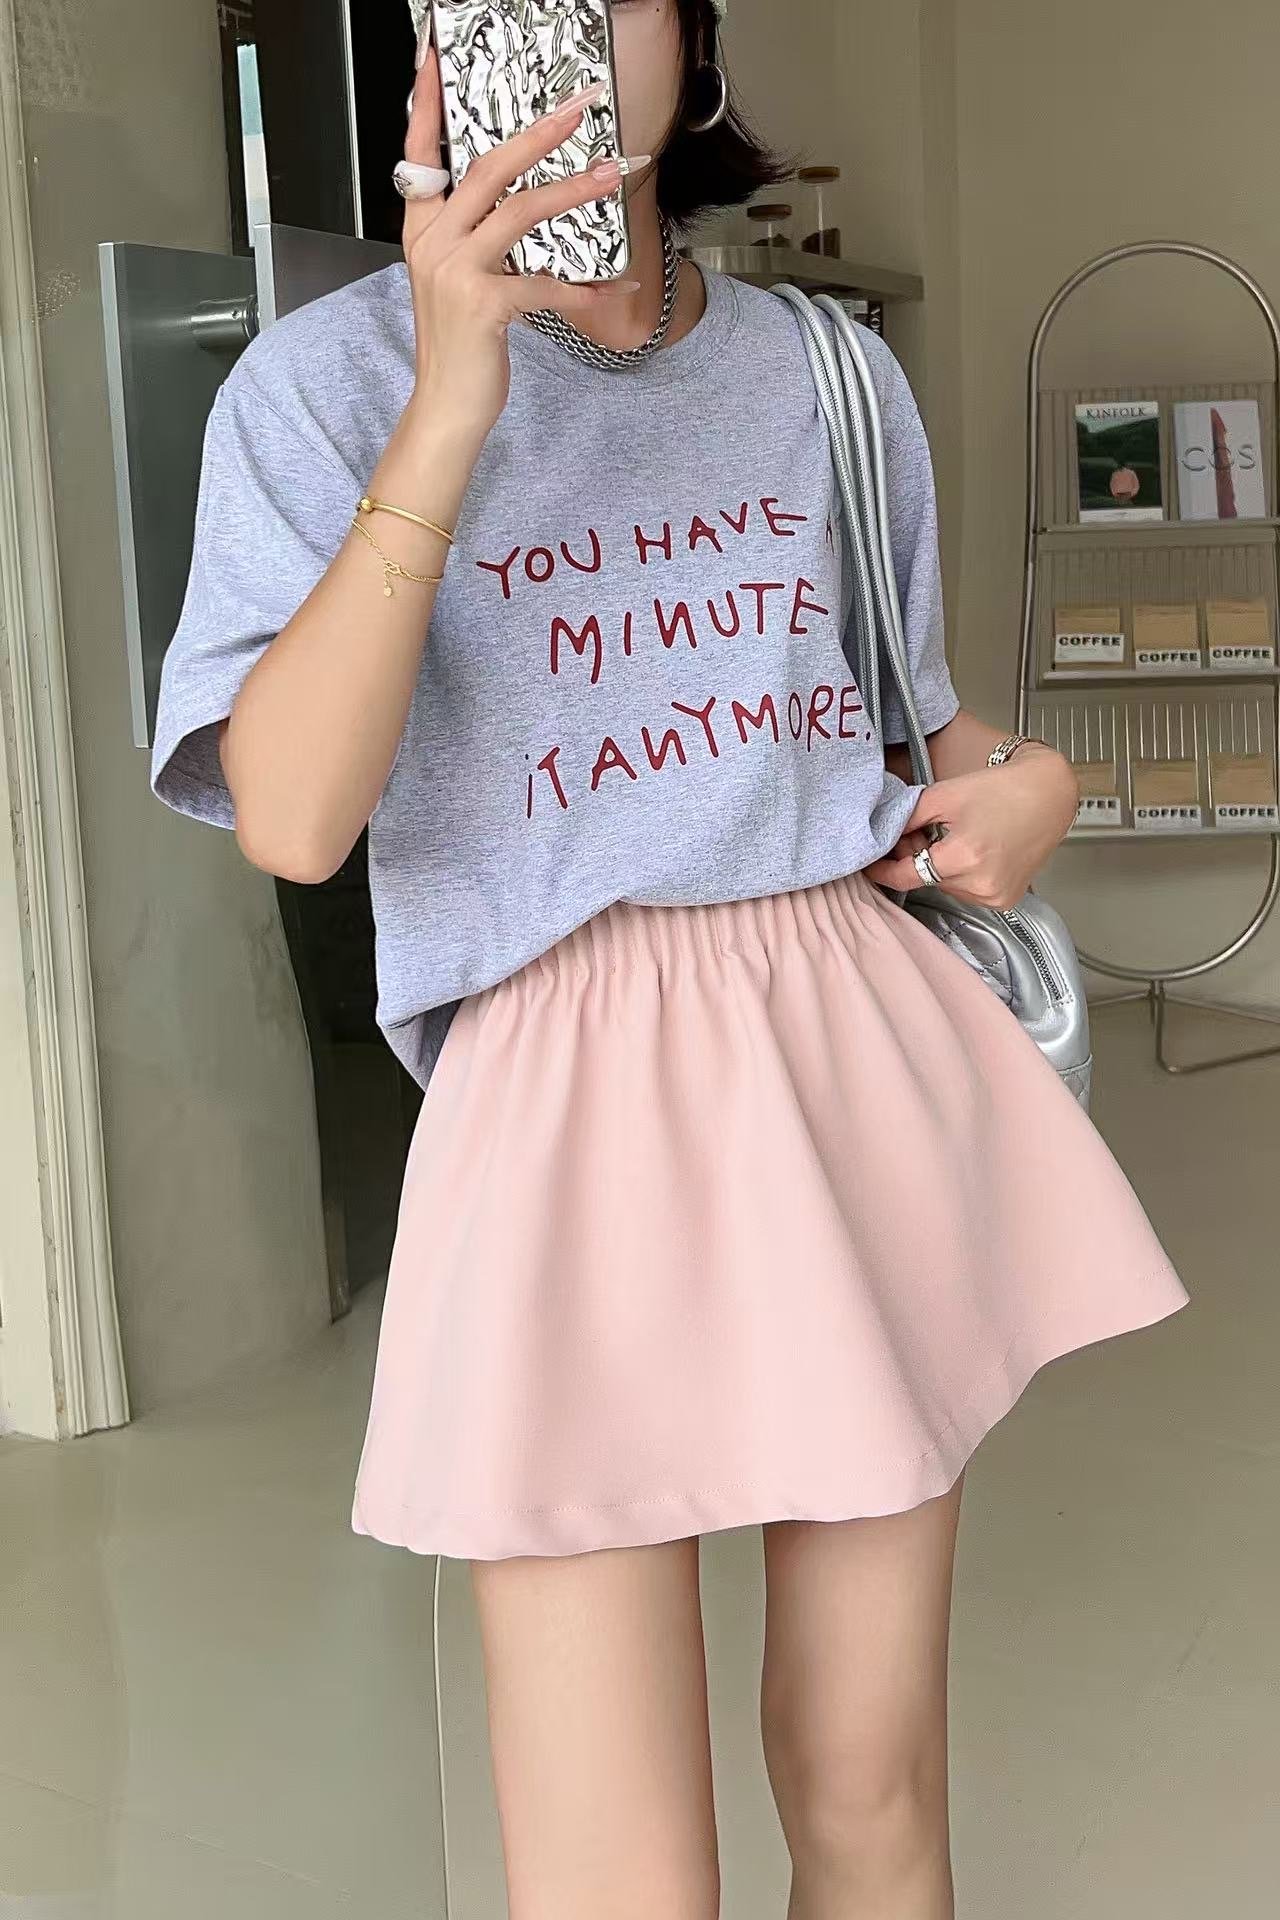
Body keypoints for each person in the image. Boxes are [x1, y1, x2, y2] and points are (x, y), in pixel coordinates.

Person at [150, 3, 1189, 1915]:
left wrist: (1035, 783)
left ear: (690, 43)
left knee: (872, 1793)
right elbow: (293, 818)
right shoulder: (318, 387)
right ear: (436, 50)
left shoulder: (826, 369)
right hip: (556, 1103)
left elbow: (898, 722)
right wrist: (451, 399)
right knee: (615, 1872)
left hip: (841, 1050)